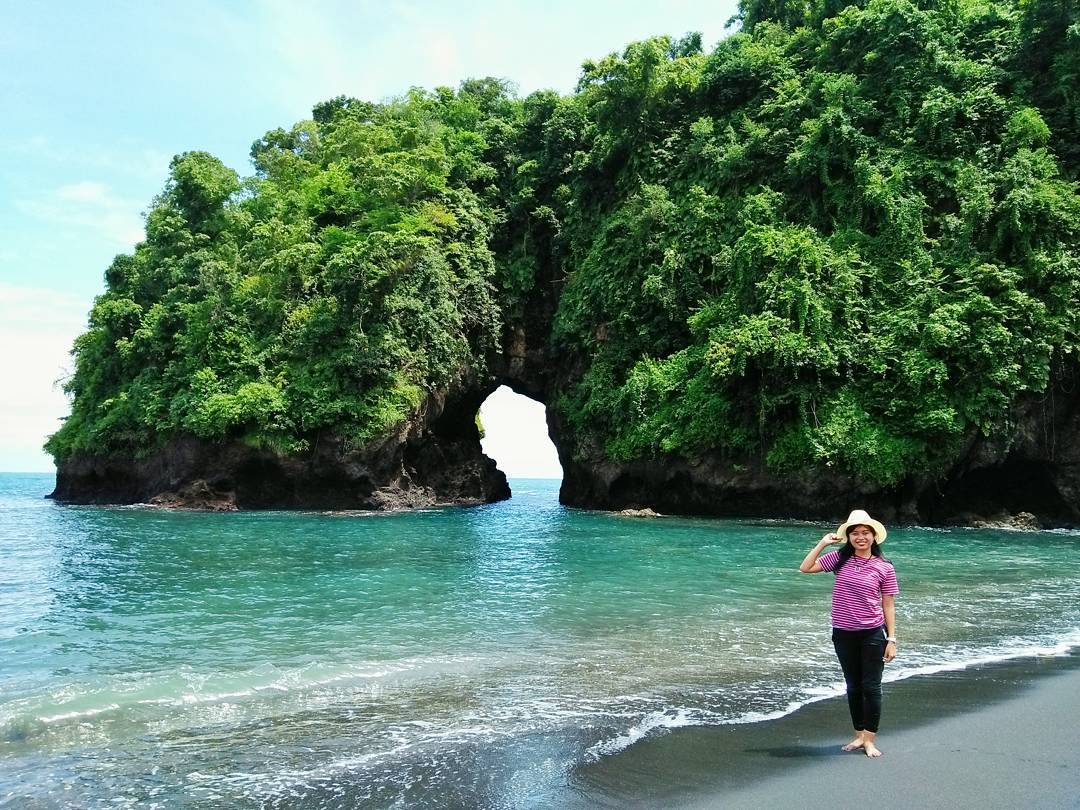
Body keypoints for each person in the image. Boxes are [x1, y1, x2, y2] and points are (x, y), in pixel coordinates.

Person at [799, 508, 899, 757]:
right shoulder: (839, 559)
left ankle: (870, 740)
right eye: (855, 533)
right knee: (853, 686)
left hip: (872, 634)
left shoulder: (884, 567)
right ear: (849, 537)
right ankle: (858, 736)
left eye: (865, 533)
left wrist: (892, 639)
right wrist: (822, 542)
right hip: (843, 633)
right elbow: (805, 568)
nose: (860, 537)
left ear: (874, 537)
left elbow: (888, 604)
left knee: (871, 687)